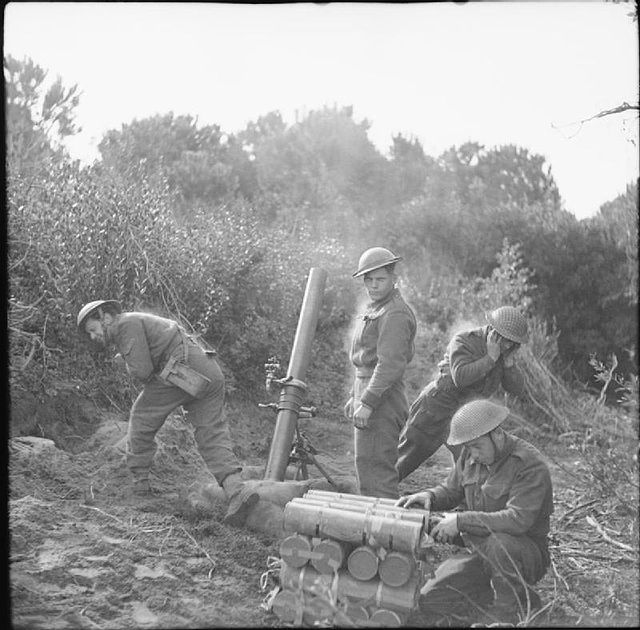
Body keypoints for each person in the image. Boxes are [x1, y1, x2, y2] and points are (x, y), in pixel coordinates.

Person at [76, 299, 258, 527]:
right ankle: (236, 492)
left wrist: (124, 363)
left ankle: (139, 486)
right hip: (208, 371)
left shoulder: (125, 325)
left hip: (182, 371)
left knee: (141, 418)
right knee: (210, 435)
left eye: (93, 330)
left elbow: (143, 371)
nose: (93, 337)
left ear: (105, 317)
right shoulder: (133, 323)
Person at [396, 399, 553, 626]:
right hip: (479, 549)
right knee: (432, 600)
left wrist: (460, 521)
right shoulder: (471, 455)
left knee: (502, 543)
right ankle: (501, 591)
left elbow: (518, 520)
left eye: (477, 446)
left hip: (522, 553)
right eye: (468, 448)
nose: (473, 454)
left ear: (497, 434)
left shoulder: (529, 464)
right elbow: (451, 490)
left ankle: (509, 612)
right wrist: (430, 496)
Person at [397, 306, 529, 481]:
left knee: (471, 465)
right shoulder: (465, 341)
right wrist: (490, 359)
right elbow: (461, 377)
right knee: (405, 460)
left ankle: (465, 503)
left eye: (512, 342)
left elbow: (517, 390)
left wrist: (509, 364)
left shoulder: (504, 353)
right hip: (436, 408)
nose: (507, 345)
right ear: (493, 330)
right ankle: (372, 491)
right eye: (505, 339)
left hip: (467, 415)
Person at [345, 247, 417, 499]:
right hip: (370, 391)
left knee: (378, 473)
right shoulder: (376, 307)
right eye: (369, 280)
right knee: (366, 467)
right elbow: (366, 360)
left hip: (384, 399)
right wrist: (356, 396)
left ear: (393, 279)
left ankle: (386, 533)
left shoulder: (394, 312)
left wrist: (367, 401)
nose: (374, 285)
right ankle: (373, 532)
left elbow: (389, 366)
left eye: (380, 279)